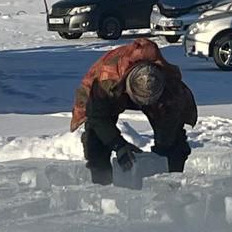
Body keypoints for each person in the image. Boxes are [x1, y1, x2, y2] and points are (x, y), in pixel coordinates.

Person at [71, 38, 197, 184]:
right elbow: (97, 117)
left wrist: (160, 158)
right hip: (110, 91)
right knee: (95, 137)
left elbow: (171, 127)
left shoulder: (171, 90)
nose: (143, 104)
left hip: (159, 97)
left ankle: (169, 187)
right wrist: (119, 145)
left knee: (174, 143)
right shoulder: (106, 81)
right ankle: (101, 183)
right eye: (140, 100)